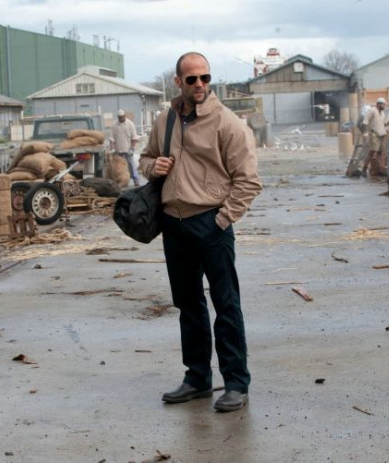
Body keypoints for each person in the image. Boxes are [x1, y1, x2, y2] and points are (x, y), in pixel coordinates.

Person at [139, 52, 262, 413]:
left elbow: (249, 181)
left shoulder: (227, 124)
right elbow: (144, 159)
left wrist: (222, 220)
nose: (199, 85)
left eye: (205, 78)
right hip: (174, 225)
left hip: (210, 223)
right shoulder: (165, 120)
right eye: (191, 79)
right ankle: (197, 378)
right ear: (178, 81)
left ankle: (236, 383)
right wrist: (154, 166)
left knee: (226, 304)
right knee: (189, 305)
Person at [110, 109, 140, 186]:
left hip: (128, 149)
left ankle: (136, 180)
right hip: (118, 150)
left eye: (122, 117)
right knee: (119, 167)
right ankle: (120, 181)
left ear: (125, 116)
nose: (121, 119)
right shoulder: (114, 125)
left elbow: (134, 137)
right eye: (119, 117)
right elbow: (112, 139)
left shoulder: (130, 124)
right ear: (117, 117)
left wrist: (132, 148)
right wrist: (112, 148)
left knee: (131, 165)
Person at [361, 98, 388, 177]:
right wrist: (365, 132)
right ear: (378, 104)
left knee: (380, 153)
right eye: (383, 104)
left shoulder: (382, 113)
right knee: (372, 152)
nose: (384, 106)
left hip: (381, 134)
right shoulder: (372, 111)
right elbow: (365, 122)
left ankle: (381, 169)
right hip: (374, 134)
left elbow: (382, 123)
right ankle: (364, 169)